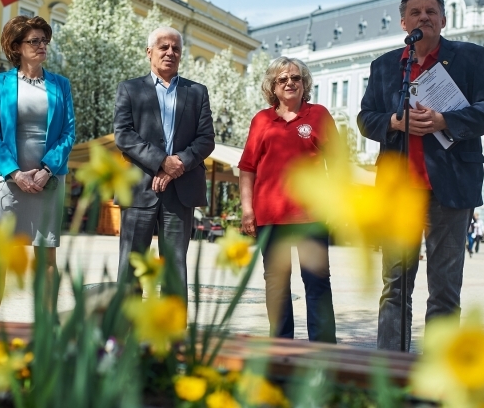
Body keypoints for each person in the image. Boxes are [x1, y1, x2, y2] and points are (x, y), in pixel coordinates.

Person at [357, 0, 484, 351]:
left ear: (443, 19)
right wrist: (394, 122)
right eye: (416, 12)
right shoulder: (385, 66)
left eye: (431, 11)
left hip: (451, 190)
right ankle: (391, 372)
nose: (424, 17)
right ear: (404, 22)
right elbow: (365, 118)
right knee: (395, 286)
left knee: (444, 289)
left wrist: (445, 120)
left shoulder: (470, 57)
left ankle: (438, 372)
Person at [0, 15, 75, 321]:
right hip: (9, 181)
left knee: (47, 255)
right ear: (17, 47)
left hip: (48, 181)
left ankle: (46, 326)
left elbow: (68, 133)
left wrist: (47, 169)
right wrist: (15, 172)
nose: (42, 46)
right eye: (34, 41)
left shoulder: (61, 85)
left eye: (44, 40)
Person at [238, 57, 338, 343]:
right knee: (277, 285)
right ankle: (281, 349)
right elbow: (247, 168)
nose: (290, 83)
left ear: (304, 83)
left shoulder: (319, 115)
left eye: (295, 78)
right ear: (272, 86)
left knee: (317, 284)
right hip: (270, 217)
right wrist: (247, 210)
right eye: (282, 79)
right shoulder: (261, 120)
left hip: (311, 216)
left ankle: (324, 352)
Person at [114, 26, 215, 297]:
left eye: (176, 48)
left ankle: (174, 338)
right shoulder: (129, 89)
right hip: (138, 190)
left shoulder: (197, 92)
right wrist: (161, 162)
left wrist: (176, 165)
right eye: (163, 47)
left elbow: (206, 140)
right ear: (149, 52)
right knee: (131, 267)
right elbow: (123, 135)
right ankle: (124, 336)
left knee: (174, 269)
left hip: (180, 192)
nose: (170, 52)